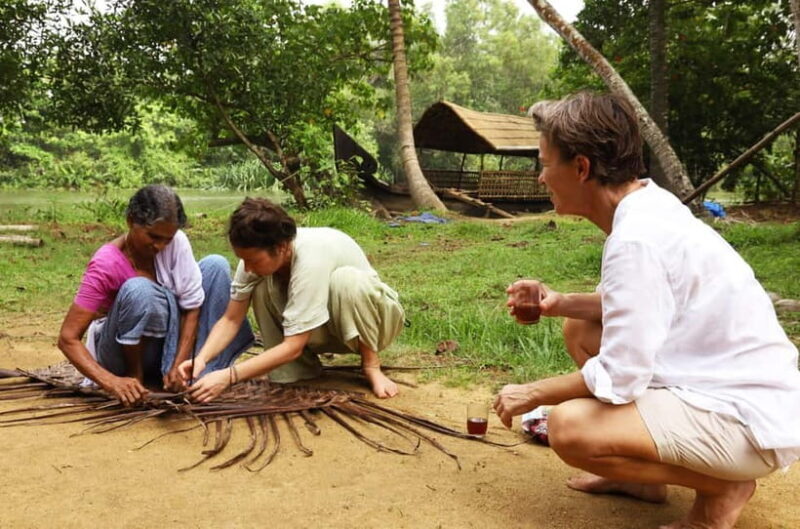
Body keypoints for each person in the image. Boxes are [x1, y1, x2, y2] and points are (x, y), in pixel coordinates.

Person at [493, 92, 800, 529]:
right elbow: (640, 307)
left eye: (544, 164)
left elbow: (621, 378)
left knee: (573, 429)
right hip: (731, 387)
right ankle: (645, 481)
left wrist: (532, 392)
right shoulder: (650, 205)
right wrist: (559, 303)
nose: (541, 178)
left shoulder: (635, 240)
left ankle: (724, 487)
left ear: (581, 168)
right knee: (580, 327)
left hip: (747, 421)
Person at [178, 197, 405, 402]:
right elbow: (230, 320)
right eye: (242, 259)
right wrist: (201, 360)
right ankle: (295, 370)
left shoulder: (311, 258)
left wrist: (229, 376)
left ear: (282, 247)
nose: (246, 267)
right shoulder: (254, 261)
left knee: (347, 282)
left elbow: (294, 345)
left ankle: (371, 365)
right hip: (326, 329)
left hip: (374, 326)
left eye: (253, 260)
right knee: (260, 284)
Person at [58, 185, 253, 406]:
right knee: (139, 289)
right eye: (152, 236)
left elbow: (192, 307)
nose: (160, 246)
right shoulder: (106, 264)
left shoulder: (176, 243)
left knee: (215, 266)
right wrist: (112, 382)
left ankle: (194, 372)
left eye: (167, 239)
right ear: (131, 221)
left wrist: (177, 365)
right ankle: (137, 378)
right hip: (120, 355)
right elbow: (67, 338)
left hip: (164, 347)